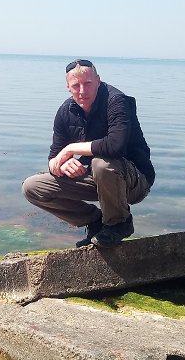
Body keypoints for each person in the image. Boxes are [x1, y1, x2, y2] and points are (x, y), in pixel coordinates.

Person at [22, 59, 155, 247]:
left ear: (98, 81)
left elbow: (115, 146)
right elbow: (53, 156)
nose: (82, 91)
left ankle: (119, 224)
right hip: (97, 180)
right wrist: (60, 164)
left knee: (101, 163)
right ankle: (95, 221)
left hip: (134, 182)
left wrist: (70, 149)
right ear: (68, 87)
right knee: (32, 187)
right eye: (76, 86)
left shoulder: (117, 101)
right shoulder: (65, 112)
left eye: (88, 83)